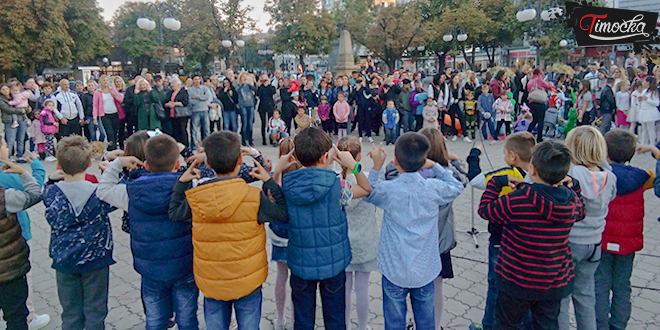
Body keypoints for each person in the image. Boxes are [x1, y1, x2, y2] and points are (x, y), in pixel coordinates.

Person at [169, 131, 290, 329]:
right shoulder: (254, 197)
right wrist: (268, 180)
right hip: (248, 280)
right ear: (241, 160)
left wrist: (182, 183)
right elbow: (283, 212)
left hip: (212, 281)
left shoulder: (195, 198)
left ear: (207, 164)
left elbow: (174, 212)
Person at [478, 140, 586, 330]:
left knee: (506, 324)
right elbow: (582, 211)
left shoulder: (516, 200)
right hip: (554, 282)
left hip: (515, 279)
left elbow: (486, 211)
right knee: (546, 325)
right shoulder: (571, 202)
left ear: (532, 169)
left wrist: (496, 183)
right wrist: (574, 185)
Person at [97, 134, 199, 330]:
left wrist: (117, 163)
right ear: (177, 165)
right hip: (184, 266)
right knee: (187, 320)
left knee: (155, 320)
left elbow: (103, 190)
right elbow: (214, 173)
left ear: (146, 165)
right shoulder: (190, 187)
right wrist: (188, 152)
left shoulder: (131, 191)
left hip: (150, 270)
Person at [363, 132, 463, 329]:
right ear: (423, 160)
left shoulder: (388, 190)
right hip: (425, 270)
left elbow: (369, 192)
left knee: (394, 323)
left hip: (394, 270)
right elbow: (457, 185)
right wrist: (435, 166)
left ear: (396, 161)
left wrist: (376, 167)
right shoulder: (433, 188)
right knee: (426, 323)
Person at [281, 127, 372, 330]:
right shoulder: (338, 186)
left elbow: (271, 195)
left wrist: (278, 170)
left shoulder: (286, 186)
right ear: (325, 157)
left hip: (300, 263)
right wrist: (354, 167)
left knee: (303, 321)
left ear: (295, 156)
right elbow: (366, 189)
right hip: (334, 263)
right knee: (335, 320)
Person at [43, 136, 117, 330]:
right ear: (90, 163)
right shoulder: (99, 193)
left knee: (70, 313)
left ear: (59, 164)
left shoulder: (51, 194)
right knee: (95, 310)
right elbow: (117, 194)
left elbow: (46, 190)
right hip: (96, 261)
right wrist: (111, 172)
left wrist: (50, 180)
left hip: (64, 261)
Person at [467, 132, 536, 330]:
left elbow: (475, 180)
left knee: (496, 284)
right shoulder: (539, 175)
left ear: (513, 156)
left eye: (505, 152)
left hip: (501, 239)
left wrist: (474, 155)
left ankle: (489, 324)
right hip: (529, 242)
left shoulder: (506, 175)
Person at [596, 130, 657, 330]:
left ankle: (599, 324)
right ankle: (619, 324)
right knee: (622, 285)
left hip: (602, 240)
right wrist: (654, 151)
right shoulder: (643, 176)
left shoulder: (600, 177)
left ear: (606, 153)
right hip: (628, 243)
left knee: (600, 286)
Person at [559, 126, 617, 330]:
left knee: (562, 298)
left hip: (570, 242)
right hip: (594, 243)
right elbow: (611, 197)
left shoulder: (572, 173)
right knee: (585, 296)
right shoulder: (609, 177)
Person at [336, 136, 379, 330]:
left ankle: (344, 324)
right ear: (359, 156)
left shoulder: (335, 182)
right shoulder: (368, 178)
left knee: (344, 289)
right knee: (363, 288)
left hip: (342, 243)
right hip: (365, 242)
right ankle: (363, 326)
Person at [0, 155, 43, 330]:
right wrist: (24, 173)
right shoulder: (4, 197)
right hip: (9, 271)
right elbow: (35, 194)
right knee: (16, 316)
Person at [267, 138, 300, 330]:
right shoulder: (302, 177)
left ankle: (280, 318)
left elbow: (271, 196)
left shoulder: (272, 178)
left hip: (279, 234)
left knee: (281, 275)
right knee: (298, 279)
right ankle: (297, 317)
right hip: (298, 235)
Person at [93, 75, 124, 150]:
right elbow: (95, 105)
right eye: (104, 81)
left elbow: (120, 100)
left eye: (107, 80)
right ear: (100, 82)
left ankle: (112, 147)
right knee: (109, 132)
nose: (106, 82)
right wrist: (95, 117)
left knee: (115, 132)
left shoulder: (112, 89)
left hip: (115, 113)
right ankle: (112, 148)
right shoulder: (97, 92)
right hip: (105, 115)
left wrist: (115, 96)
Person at [0, 84, 28, 161]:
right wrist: (20, 110)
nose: (6, 91)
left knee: (21, 139)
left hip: (21, 119)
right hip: (10, 121)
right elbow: (7, 110)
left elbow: (25, 105)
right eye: (3, 89)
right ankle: (7, 157)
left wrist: (26, 108)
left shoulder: (16, 95)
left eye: (6, 89)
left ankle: (20, 155)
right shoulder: (2, 100)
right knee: (10, 140)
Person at [527, 68, 555, 143]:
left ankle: (527, 132)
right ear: (539, 73)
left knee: (534, 119)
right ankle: (539, 138)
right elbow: (547, 86)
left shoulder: (530, 80)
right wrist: (551, 84)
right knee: (540, 120)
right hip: (539, 101)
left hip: (532, 101)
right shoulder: (539, 79)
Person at [187, 75, 212, 149]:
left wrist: (197, 97)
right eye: (195, 79)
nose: (197, 81)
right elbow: (190, 101)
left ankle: (207, 145)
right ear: (193, 81)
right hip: (195, 111)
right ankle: (194, 146)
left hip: (205, 110)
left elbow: (207, 96)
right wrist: (202, 98)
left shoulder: (205, 88)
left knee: (206, 129)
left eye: (198, 79)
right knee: (194, 130)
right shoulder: (190, 90)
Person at [165, 78, 191, 146]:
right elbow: (165, 102)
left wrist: (174, 103)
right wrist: (168, 104)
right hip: (172, 115)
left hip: (181, 115)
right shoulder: (169, 92)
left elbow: (185, 102)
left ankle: (185, 146)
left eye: (173, 83)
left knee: (182, 130)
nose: (172, 85)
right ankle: (176, 146)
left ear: (178, 84)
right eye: (171, 83)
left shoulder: (183, 91)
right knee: (174, 131)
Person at [637, 76, 660, 145]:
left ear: (648, 83)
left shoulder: (654, 92)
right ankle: (644, 143)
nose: (643, 83)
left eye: (644, 81)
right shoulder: (644, 91)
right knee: (644, 129)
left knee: (650, 129)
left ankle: (652, 144)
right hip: (644, 111)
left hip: (650, 112)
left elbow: (656, 103)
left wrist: (647, 99)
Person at [257, 74, 276, 145]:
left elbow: (273, 92)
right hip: (262, 106)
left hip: (270, 106)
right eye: (263, 79)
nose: (264, 80)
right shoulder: (261, 87)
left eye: (265, 79)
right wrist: (259, 85)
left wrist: (269, 84)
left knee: (270, 123)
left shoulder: (270, 87)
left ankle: (271, 139)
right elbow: (258, 94)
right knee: (263, 123)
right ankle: (263, 139)